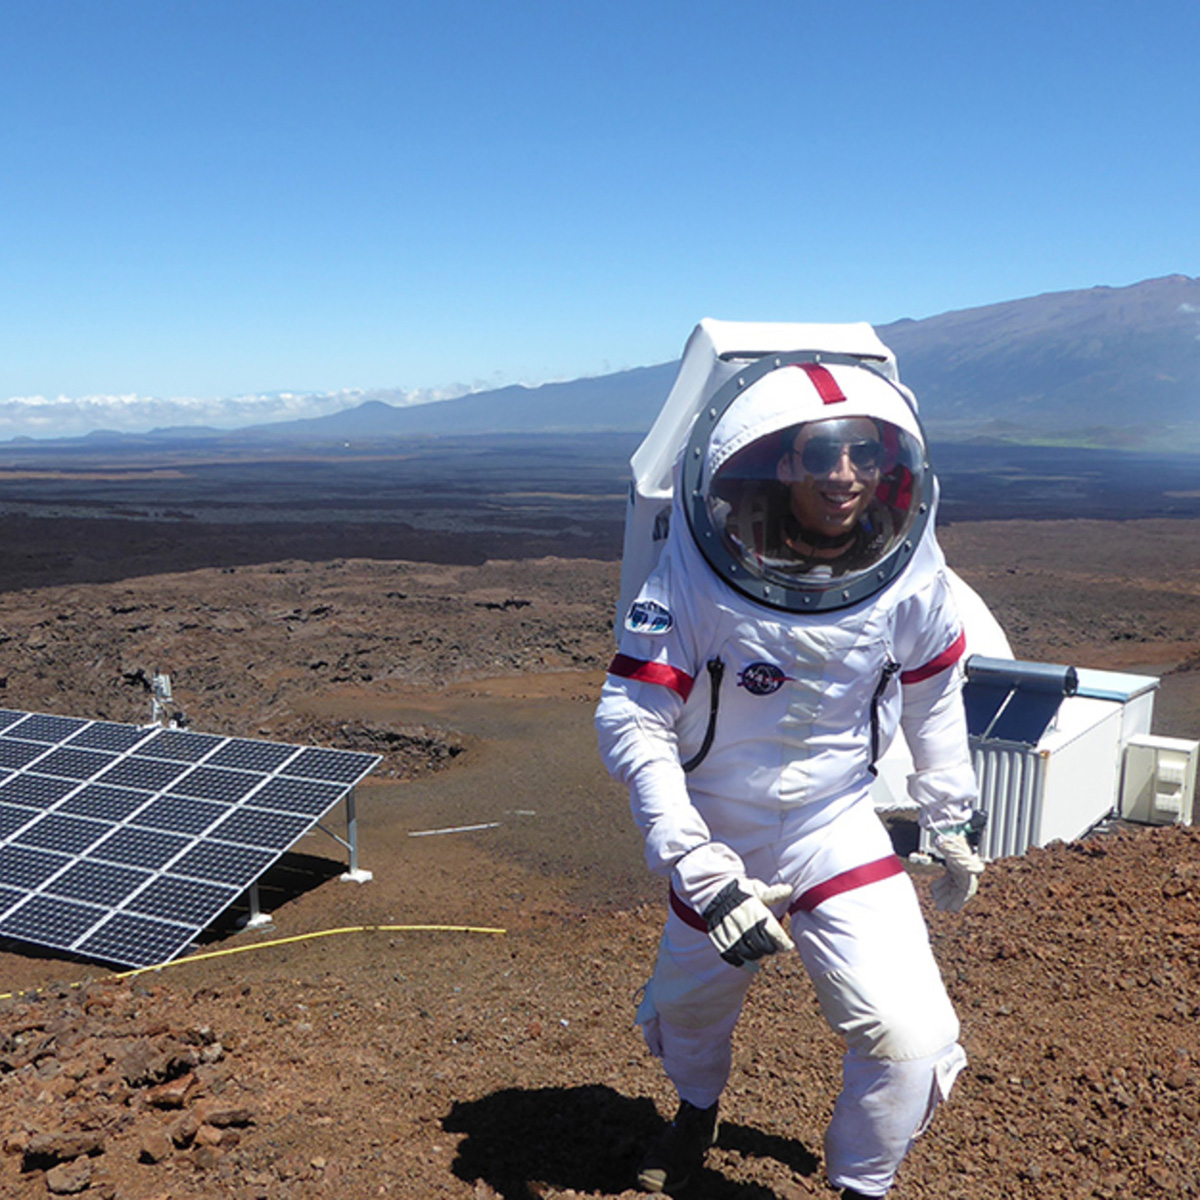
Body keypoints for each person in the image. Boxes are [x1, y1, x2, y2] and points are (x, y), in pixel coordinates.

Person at [595, 349, 985, 1198]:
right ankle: (697, 1108)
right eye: (819, 455)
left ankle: (862, 1185)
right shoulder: (697, 574)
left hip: (834, 826)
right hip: (717, 830)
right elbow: (633, 717)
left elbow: (933, 691)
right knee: (692, 1011)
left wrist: (950, 814)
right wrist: (697, 866)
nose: (844, 475)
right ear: (777, 463)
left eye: (864, 455)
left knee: (911, 1037)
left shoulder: (909, 568)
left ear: (891, 468)